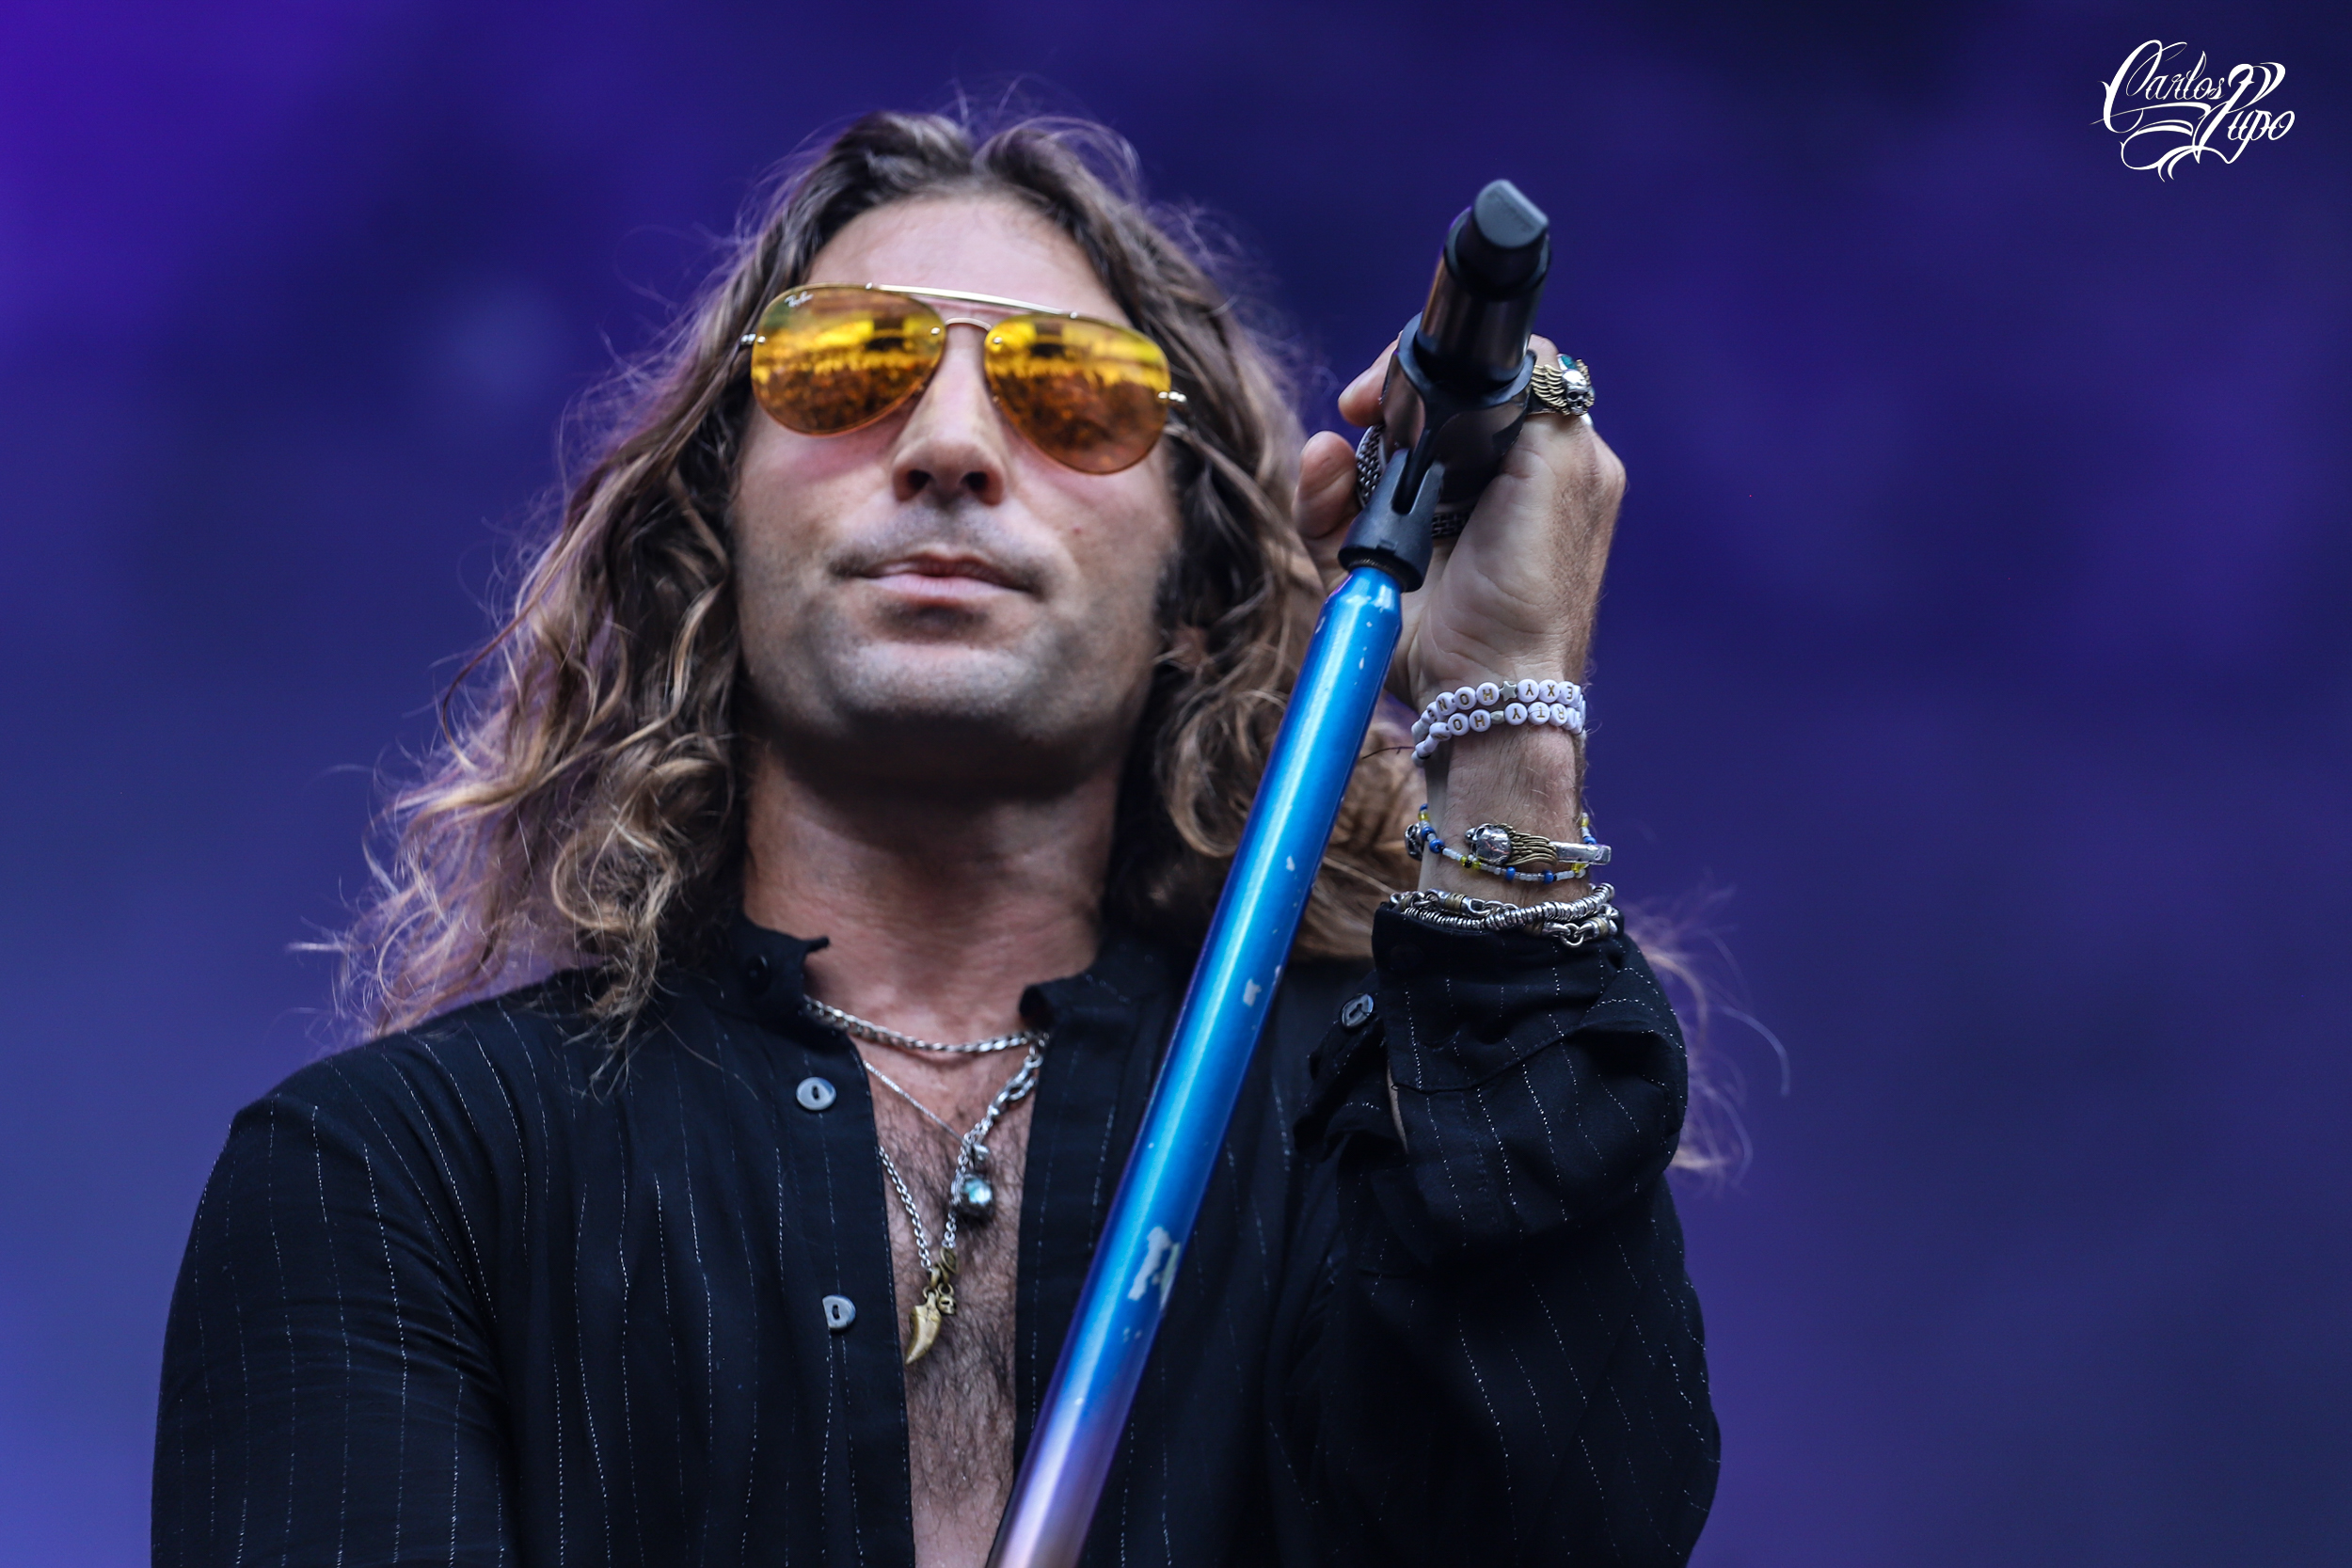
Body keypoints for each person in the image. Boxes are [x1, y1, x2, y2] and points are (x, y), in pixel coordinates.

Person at [152, 109, 1718, 1568]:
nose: (953, 442)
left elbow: (1571, 1526)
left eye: (1072, 393)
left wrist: (1511, 711)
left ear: (1194, 589)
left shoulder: (1373, 1134)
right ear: (715, 540)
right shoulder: (395, 1176)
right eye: (848, 368)